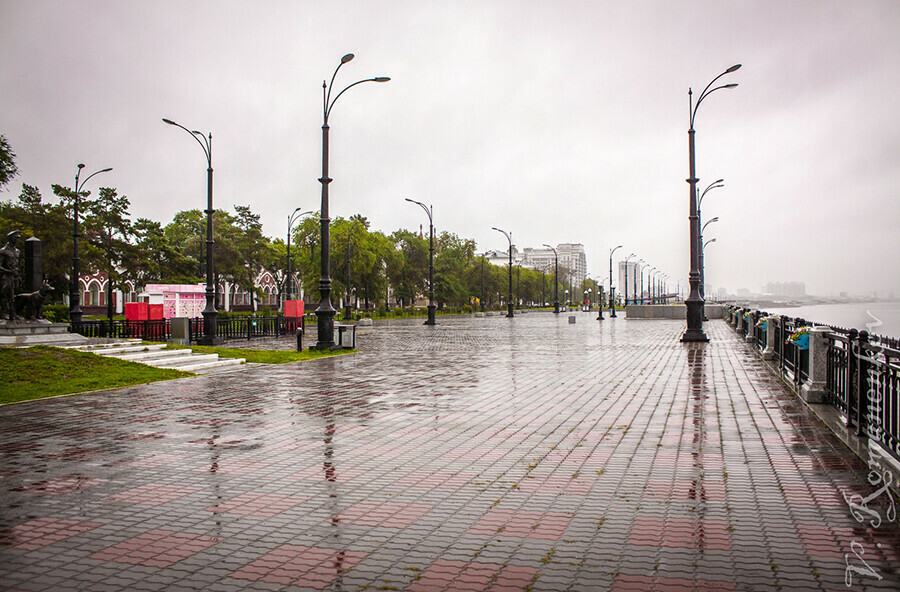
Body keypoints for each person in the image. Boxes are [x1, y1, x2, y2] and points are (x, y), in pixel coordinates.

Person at [0, 230, 21, 320]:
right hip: (6, 276)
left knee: (14, 296)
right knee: (5, 295)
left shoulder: (17, 251)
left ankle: (13, 313)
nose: (17, 240)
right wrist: (8, 271)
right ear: (10, 238)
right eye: (16, 238)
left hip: (15, 276)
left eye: (18, 238)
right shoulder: (3, 251)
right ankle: (4, 313)